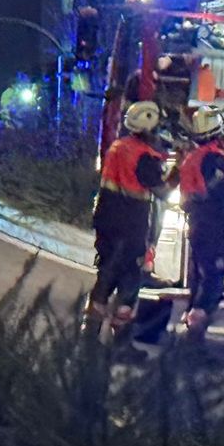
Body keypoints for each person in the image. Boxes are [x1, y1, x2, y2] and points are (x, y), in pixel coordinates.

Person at [86, 100, 171, 342]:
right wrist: (175, 175)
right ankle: (122, 344)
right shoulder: (145, 156)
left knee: (105, 277)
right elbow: (161, 191)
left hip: (106, 222)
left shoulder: (118, 146)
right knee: (129, 282)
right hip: (130, 225)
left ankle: (88, 338)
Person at [178, 106, 224, 340]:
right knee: (213, 281)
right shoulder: (214, 158)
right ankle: (193, 338)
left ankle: (192, 335)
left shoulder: (194, 157)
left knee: (200, 278)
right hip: (212, 224)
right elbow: (218, 188)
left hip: (198, 223)